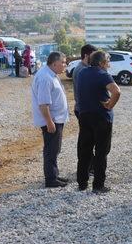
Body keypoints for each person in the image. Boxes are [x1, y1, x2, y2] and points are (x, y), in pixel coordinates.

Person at [75, 50, 121, 193]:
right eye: (108, 61)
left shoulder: (82, 73)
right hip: (101, 117)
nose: (109, 64)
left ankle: (82, 183)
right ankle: (98, 185)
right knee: (101, 151)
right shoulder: (102, 74)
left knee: (85, 150)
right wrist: (110, 105)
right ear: (101, 63)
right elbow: (117, 91)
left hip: (84, 115)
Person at [31, 51, 69, 188]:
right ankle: (51, 179)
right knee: (51, 150)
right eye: (63, 62)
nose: (65, 65)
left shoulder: (51, 74)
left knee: (54, 149)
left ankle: (54, 175)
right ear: (54, 63)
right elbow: (43, 104)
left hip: (56, 118)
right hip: (52, 120)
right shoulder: (45, 77)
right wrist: (49, 122)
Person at [72, 44, 98, 118]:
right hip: (84, 110)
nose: (95, 58)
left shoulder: (86, 68)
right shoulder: (82, 70)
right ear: (86, 55)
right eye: (93, 55)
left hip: (85, 109)